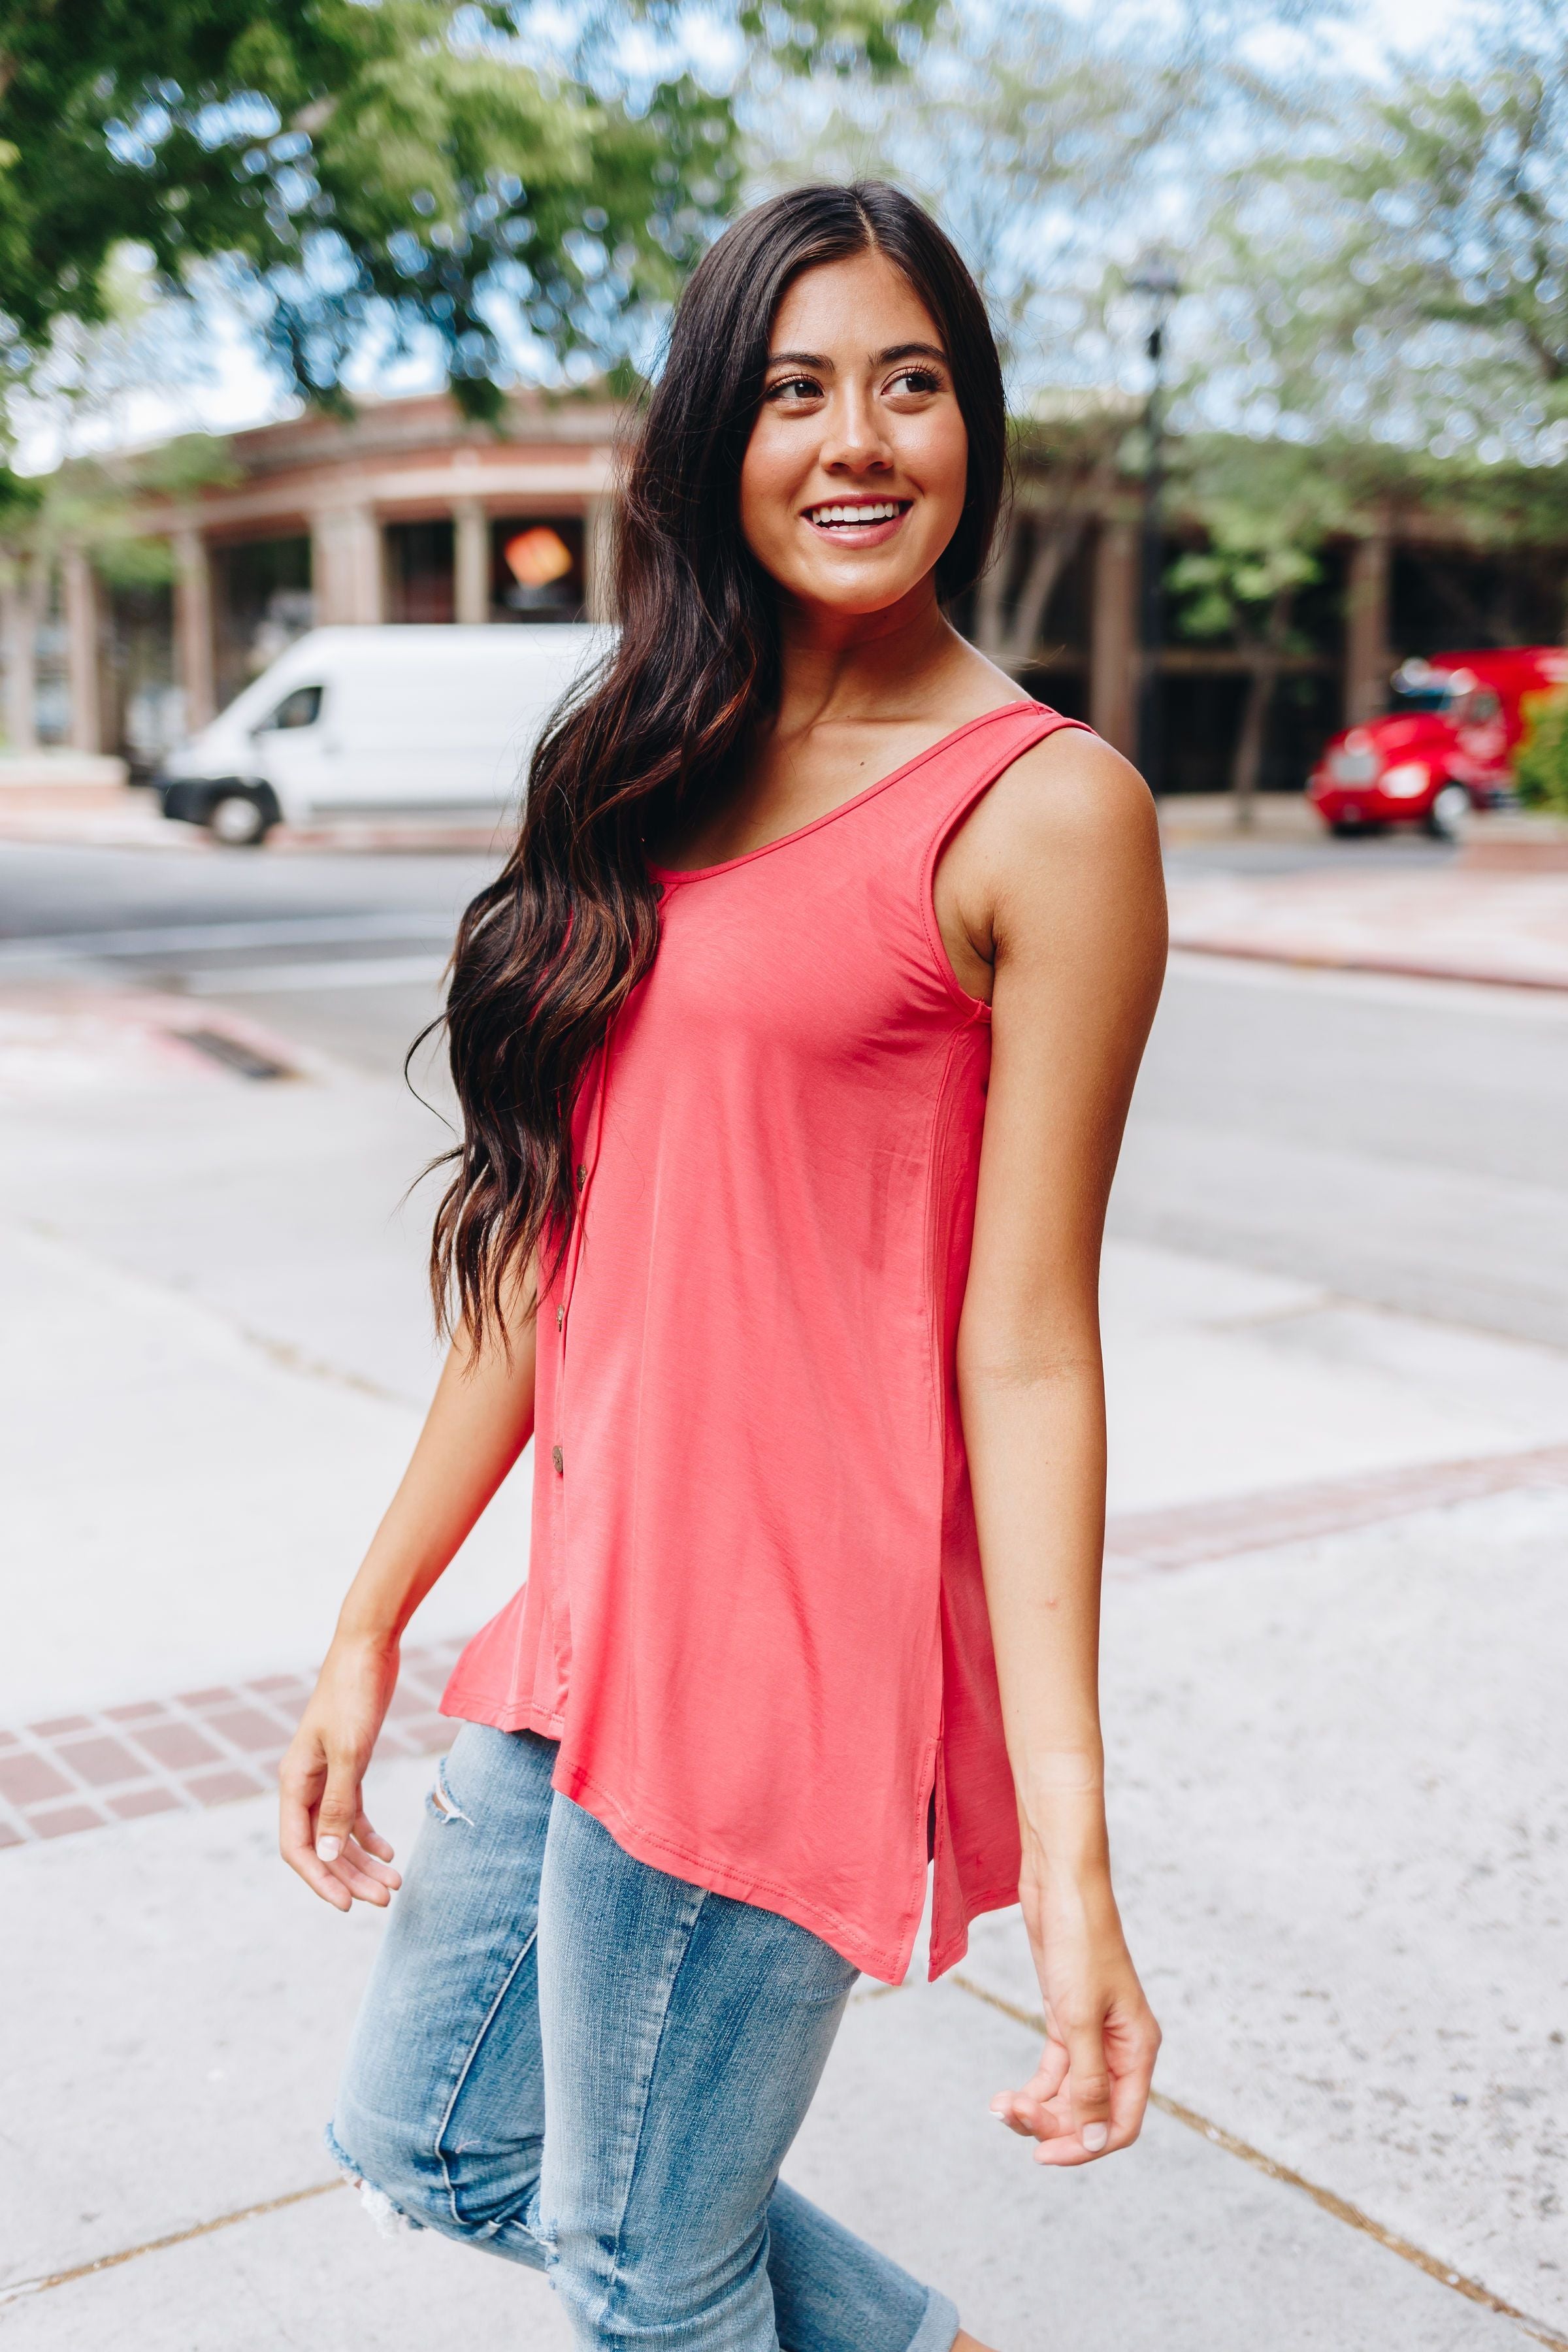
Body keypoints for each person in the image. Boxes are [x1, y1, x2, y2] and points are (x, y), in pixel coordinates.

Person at [279, 179, 1166, 2352]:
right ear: (717, 438)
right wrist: (374, 1614)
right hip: (582, 1631)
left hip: (785, 1658)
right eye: (795, 390)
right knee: (432, 2142)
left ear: (975, 425)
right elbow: (547, 1251)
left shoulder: (1048, 813)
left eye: (911, 384)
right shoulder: (646, 756)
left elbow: (1032, 1345)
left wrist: (1071, 1846)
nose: (857, 439)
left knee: (643, 2290)